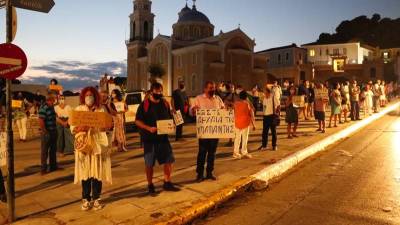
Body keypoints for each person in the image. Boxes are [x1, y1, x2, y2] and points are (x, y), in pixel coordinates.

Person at [71, 87, 112, 211]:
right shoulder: (78, 110)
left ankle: (96, 198)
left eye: (91, 95)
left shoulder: (101, 109)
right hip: (84, 146)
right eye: (87, 95)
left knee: (97, 173)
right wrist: (80, 128)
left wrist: (105, 127)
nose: (89, 97)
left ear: (95, 96)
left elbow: (107, 126)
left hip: (97, 146)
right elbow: (73, 128)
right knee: (86, 173)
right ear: (83, 96)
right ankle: (86, 198)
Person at [135, 82, 179, 194]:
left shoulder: (164, 103)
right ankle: (150, 185)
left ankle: (167, 182)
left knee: (169, 160)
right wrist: (148, 128)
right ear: (151, 91)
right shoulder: (144, 105)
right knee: (149, 164)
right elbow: (137, 121)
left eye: (161, 91)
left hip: (163, 139)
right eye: (157, 91)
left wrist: (172, 125)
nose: (159, 93)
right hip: (149, 140)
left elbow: (170, 118)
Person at [191, 81, 225, 182]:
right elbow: (191, 111)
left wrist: (225, 110)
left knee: (212, 153)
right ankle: (200, 174)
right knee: (202, 153)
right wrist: (193, 110)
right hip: (204, 132)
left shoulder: (218, 99)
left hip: (215, 132)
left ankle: (209, 172)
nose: (212, 90)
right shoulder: (198, 99)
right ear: (205, 89)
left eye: (213, 88)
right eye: (210, 88)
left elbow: (223, 109)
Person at [38, 94, 58, 175]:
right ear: (51, 100)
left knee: (53, 150)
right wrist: (44, 131)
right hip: (47, 132)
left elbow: (55, 118)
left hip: (53, 131)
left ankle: (53, 166)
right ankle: (43, 169)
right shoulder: (44, 107)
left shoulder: (51, 107)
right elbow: (41, 120)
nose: (55, 101)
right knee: (44, 151)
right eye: (54, 99)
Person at [233, 91, 256, 159]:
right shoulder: (247, 104)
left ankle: (236, 153)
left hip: (237, 123)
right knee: (245, 138)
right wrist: (254, 124)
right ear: (246, 97)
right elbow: (251, 113)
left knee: (237, 138)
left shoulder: (236, 104)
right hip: (245, 123)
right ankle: (244, 152)